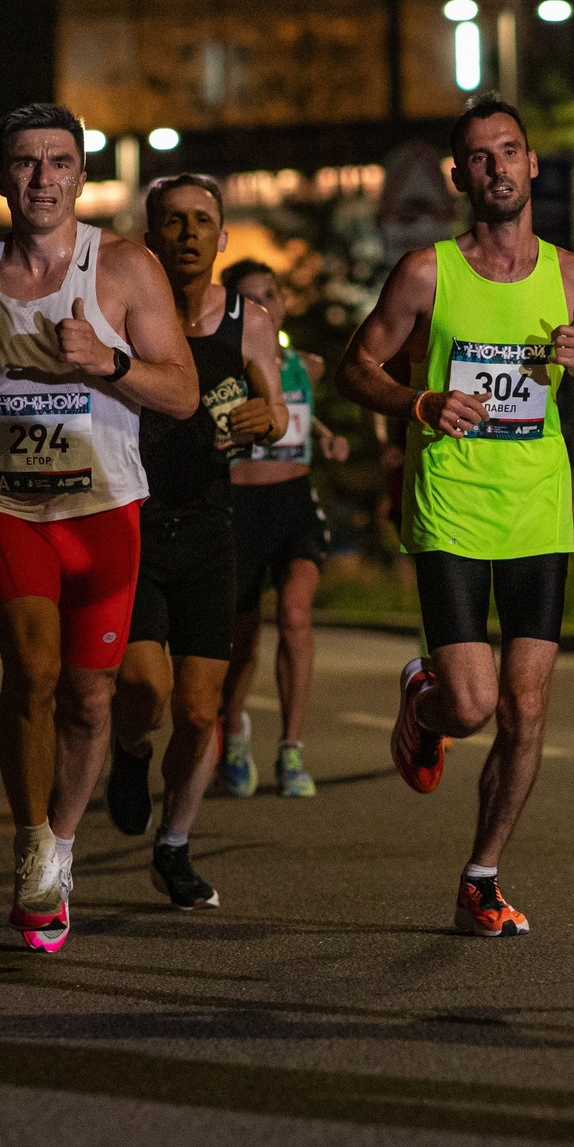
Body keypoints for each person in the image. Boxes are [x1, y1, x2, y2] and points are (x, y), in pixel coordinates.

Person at [0, 102, 198, 953]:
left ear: (80, 175)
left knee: (91, 695)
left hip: (103, 507)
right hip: (5, 502)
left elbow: (182, 392)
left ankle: (62, 842)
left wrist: (109, 361)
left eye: (59, 162)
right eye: (26, 162)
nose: (43, 178)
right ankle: (33, 846)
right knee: (30, 670)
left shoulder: (126, 268)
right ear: (2, 177)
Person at [336, 96, 574, 938]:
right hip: (452, 504)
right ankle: (424, 702)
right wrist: (419, 401)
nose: (497, 166)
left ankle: (482, 876)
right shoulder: (427, 274)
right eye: (479, 155)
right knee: (471, 707)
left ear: (533, 163)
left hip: (538, 509)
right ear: (460, 177)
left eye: (509, 150)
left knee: (525, 709)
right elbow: (358, 367)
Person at [104, 176, 288, 905]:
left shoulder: (249, 321)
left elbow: (275, 406)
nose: (188, 234)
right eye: (173, 221)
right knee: (145, 688)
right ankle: (127, 749)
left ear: (223, 237)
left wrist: (265, 418)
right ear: (150, 237)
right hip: (136, 521)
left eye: (202, 221)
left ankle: (174, 845)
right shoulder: (121, 313)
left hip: (211, 527)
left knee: (201, 710)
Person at [221, 260, 349, 799]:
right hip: (239, 506)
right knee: (242, 639)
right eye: (249, 298)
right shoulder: (222, 368)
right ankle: (233, 733)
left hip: (293, 503)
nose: (264, 306)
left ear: (284, 302)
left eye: (270, 294)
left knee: (296, 614)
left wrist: (325, 435)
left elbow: (297, 408)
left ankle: (292, 747)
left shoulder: (307, 366)